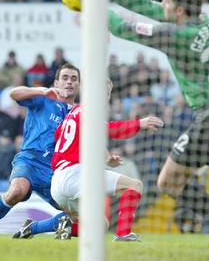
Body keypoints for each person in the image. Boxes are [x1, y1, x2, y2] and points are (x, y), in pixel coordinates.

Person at [63, 0, 209, 248]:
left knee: (168, 182)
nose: (161, 5)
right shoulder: (201, 20)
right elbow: (146, 6)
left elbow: (123, 28)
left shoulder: (177, 37)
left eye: (166, 2)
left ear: (179, 10)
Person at [26, 78, 164, 241]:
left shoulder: (73, 113)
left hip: (58, 183)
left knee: (100, 225)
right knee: (134, 185)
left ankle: (33, 228)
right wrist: (139, 123)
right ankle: (123, 234)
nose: (104, 97)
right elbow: (108, 129)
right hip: (75, 175)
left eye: (106, 94)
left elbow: (66, 138)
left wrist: (106, 160)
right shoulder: (89, 110)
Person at [0, 63, 81, 238]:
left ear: (79, 86)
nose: (69, 82)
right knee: (17, 191)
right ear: (56, 83)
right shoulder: (44, 98)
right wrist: (42, 91)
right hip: (30, 159)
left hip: (56, 169)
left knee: (79, 217)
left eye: (74, 79)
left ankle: (31, 228)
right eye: (65, 78)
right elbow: (14, 93)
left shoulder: (80, 112)